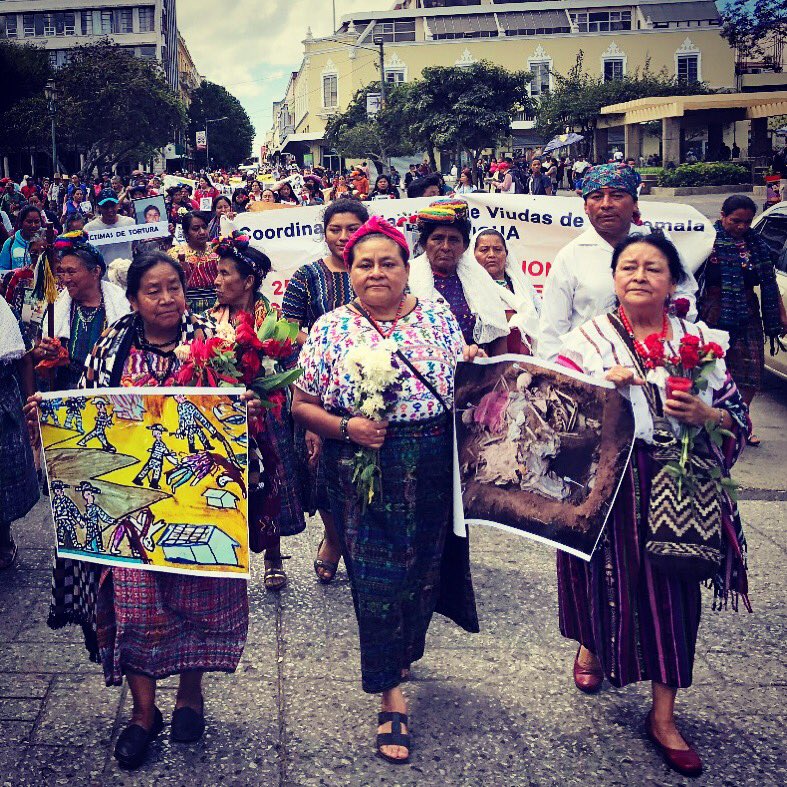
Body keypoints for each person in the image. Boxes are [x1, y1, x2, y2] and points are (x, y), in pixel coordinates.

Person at [27, 252, 259, 771]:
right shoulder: (112, 345)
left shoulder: (213, 340)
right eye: (152, 290)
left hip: (199, 505)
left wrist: (249, 406)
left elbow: (235, 407)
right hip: (129, 514)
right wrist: (50, 412)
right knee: (135, 610)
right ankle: (143, 712)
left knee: (199, 597)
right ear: (133, 300)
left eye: (174, 287)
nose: (166, 298)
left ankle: (190, 698)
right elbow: (86, 409)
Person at [555, 232, 751, 779]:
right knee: (598, 580)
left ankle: (664, 717)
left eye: (653, 268)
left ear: (673, 281)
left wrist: (706, 418)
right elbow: (552, 417)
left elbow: (737, 417)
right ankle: (592, 645)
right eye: (629, 267)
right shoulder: (586, 341)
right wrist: (598, 389)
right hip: (606, 488)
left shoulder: (702, 342)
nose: (639, 276)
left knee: (673, 595)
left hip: (677, 486)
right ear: (613, 278)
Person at [291, 216, 479, 764]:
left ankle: (404, 650)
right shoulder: (330, 328)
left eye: (388, 262)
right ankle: (390, 693)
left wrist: (471, 366)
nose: (377, 272)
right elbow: (301, 405)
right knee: (375, 580)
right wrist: (347, 428)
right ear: (349, 271)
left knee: (423, 569)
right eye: (364, 263)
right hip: (358, 468)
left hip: (430, 464)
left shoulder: (437, 317)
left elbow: (463, 384)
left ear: (406, 269)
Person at [209, 232, 306, 590]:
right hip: (223, 416)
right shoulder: (208, 318)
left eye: (224, 274)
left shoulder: (275, 320)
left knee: (271, 482)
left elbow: (294, 364)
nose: (216, 281)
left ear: (248, 281)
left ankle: (274, 555)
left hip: (267, 416)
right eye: (216, 273)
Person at [282, 199, 368, 583]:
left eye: (352, 228)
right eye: (336, 229)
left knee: (367, 470)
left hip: (371, 387)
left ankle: (363, 543)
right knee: (322, 472)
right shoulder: (307, 275)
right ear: (325, 232)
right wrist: (329, 341)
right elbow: (286, 328)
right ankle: (333, 539)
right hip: (317, 390)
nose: (344, 237)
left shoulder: (374, 268)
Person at [538, 164, 702, 362]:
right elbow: (552, 333)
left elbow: (685, 295)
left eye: (616, 195)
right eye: (597, 197)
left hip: (658, 365)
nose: (606, 204)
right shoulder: (571, 255)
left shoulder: (657, 243)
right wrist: (565, 379)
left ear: (634, 203)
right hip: (593, 372)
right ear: (585, 206)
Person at [696, 194, 787, 445]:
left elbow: (768, 281)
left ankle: (740, 419)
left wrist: (779, 312)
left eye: (747, 222)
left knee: (751, 371)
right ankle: (713, 422)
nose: (742, 227)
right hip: (712, 312)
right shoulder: (706, 241)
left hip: (747, 311)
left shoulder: (757, 245)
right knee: (712, 371)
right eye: (736, 221)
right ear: (722, 216)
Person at [408, 198, 510, 353]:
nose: (446, 247)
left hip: (476, 370)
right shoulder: (407, 278)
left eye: (454, 240)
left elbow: (498, 333)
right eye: (438, 238)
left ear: (465, 246)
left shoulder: (479, 279)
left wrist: (495, 373)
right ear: (423, 243)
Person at [38, 231, 130, 390]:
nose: (65, 279)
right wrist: (46, 352)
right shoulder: (58, 307)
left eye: (71, 272)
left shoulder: (121, 305)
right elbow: (38, 349)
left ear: (95, 272)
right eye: (62, 272)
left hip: (109, 391)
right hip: (66, 392)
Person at [0, 297, 39, 569]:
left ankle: (2, 539)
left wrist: (29, 403)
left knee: (4, 475)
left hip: (2, 399)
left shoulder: (2, 308)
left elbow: (24, 359)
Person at [473, 229, 541, 354]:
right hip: (489, 363)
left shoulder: (521, 285)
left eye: (498, 249)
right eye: (484, 250)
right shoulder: (469, 289)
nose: (491, 254)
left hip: (528, 363)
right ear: (473, 254)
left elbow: (541, 317)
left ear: (506, 253)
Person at [167, 211, 220, 314]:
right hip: (187, 308)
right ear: (186, 232)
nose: (202, 232)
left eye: (204, 227)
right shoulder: (174, 253)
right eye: (195, 229)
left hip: (218, 306)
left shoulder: (218, 249)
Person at [84, 189, 136, 270]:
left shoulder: (130, 223)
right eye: (105, 207)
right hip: (103, 278)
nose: (110, 210)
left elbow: (138, 246)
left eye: (112, 205)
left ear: (118, 205)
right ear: (98, 208)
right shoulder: (89, 229)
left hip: (128, 275)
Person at [0, 206, 43, 270]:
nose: (33, 225)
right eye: (29, 222)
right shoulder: (10, 243)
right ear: (21, 222)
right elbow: (3, 269)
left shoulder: (45, 243)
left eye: (37, 222)